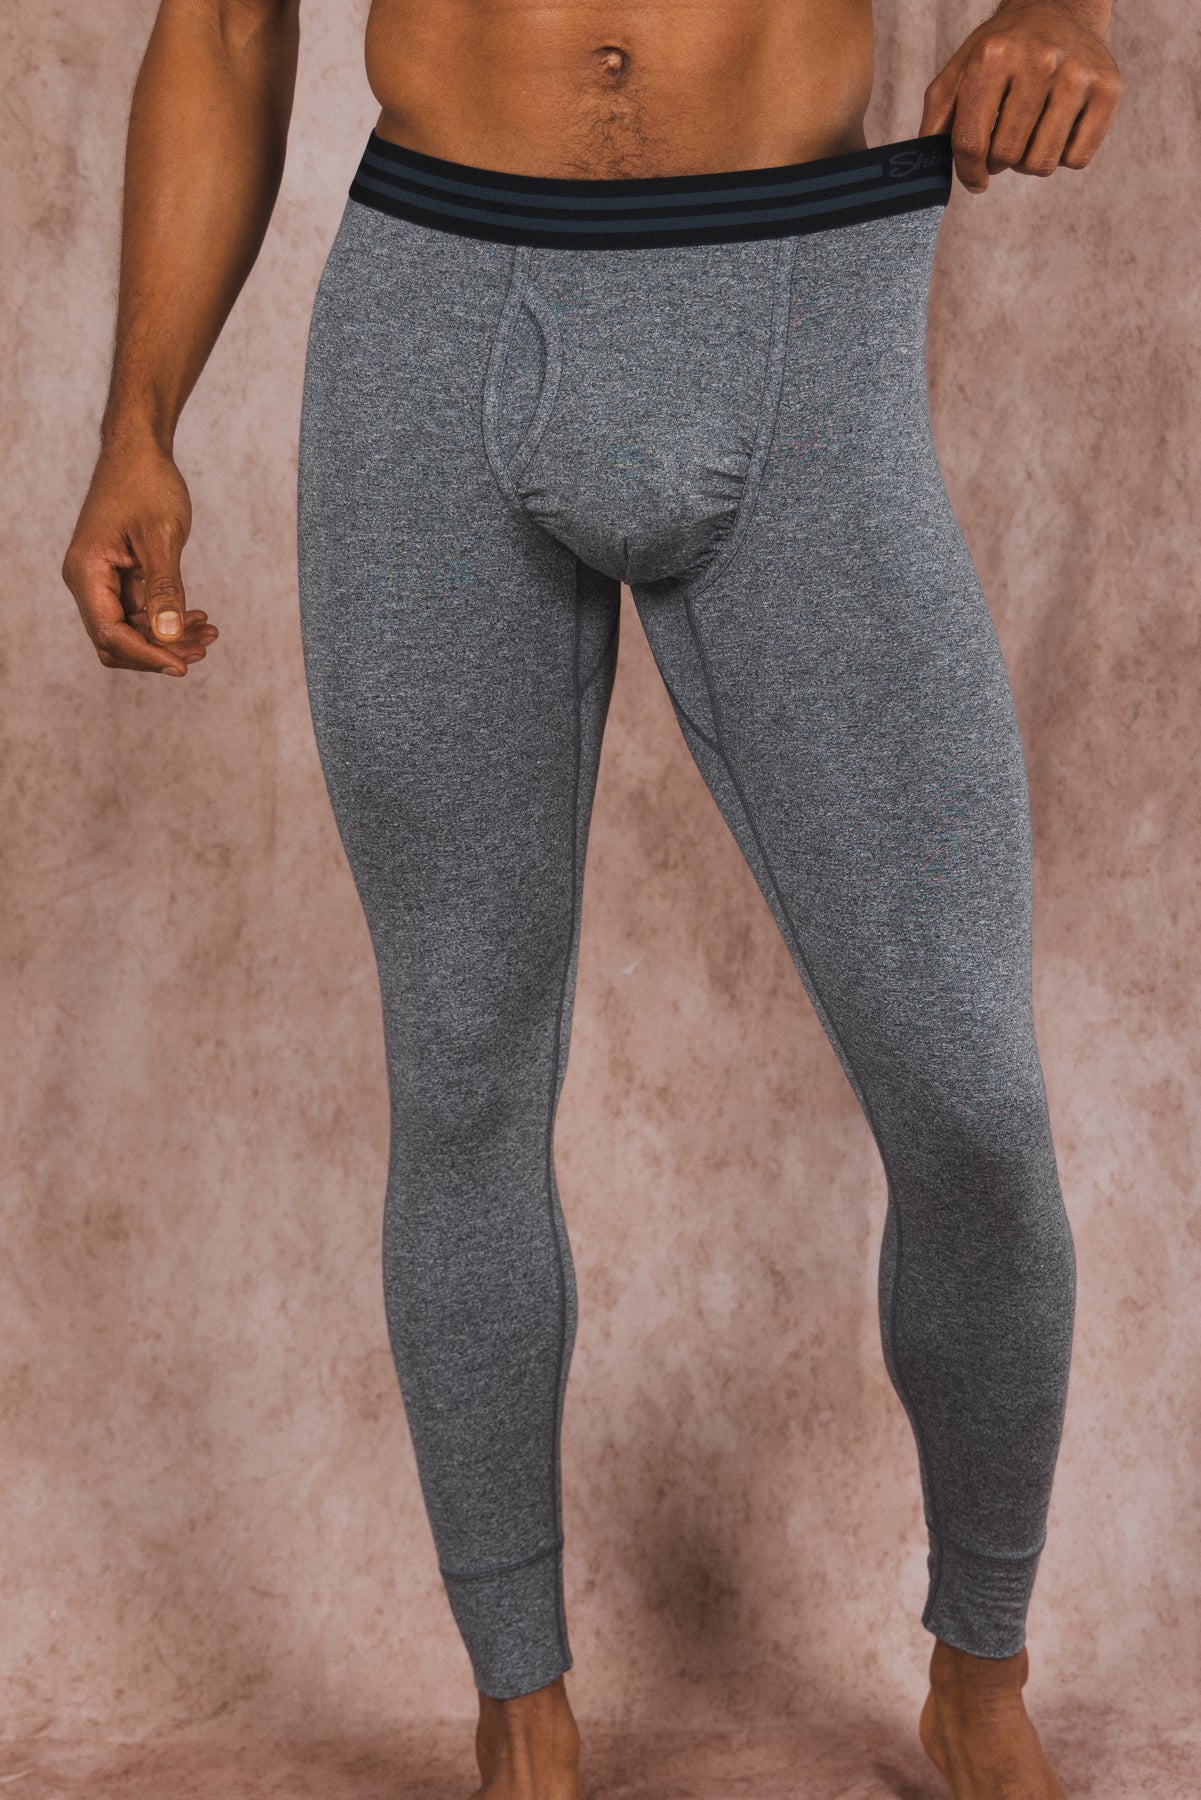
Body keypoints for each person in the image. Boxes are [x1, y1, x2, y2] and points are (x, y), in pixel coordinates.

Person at [61, 1, 1121, 1794]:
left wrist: (1063, 3)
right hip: (432, 313)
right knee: (464, 1075)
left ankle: (979, 1665)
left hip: (803, 304)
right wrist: (137, 425)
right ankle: (519, 1705)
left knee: (970, 1096)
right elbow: (227, 24)